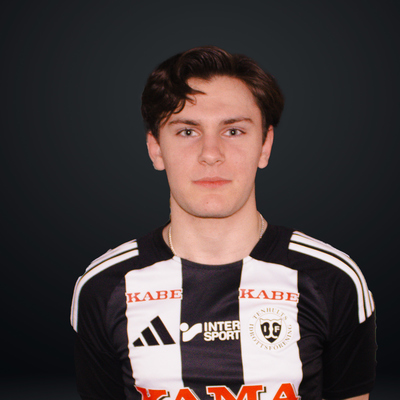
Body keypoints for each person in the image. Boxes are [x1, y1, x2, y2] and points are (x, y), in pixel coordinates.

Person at [70, 46, 376, 400]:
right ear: (156, 148)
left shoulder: (333, 279)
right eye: (187, 131)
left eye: (233, 131)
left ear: (265, 145)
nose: (211, 154)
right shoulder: (104, 287)